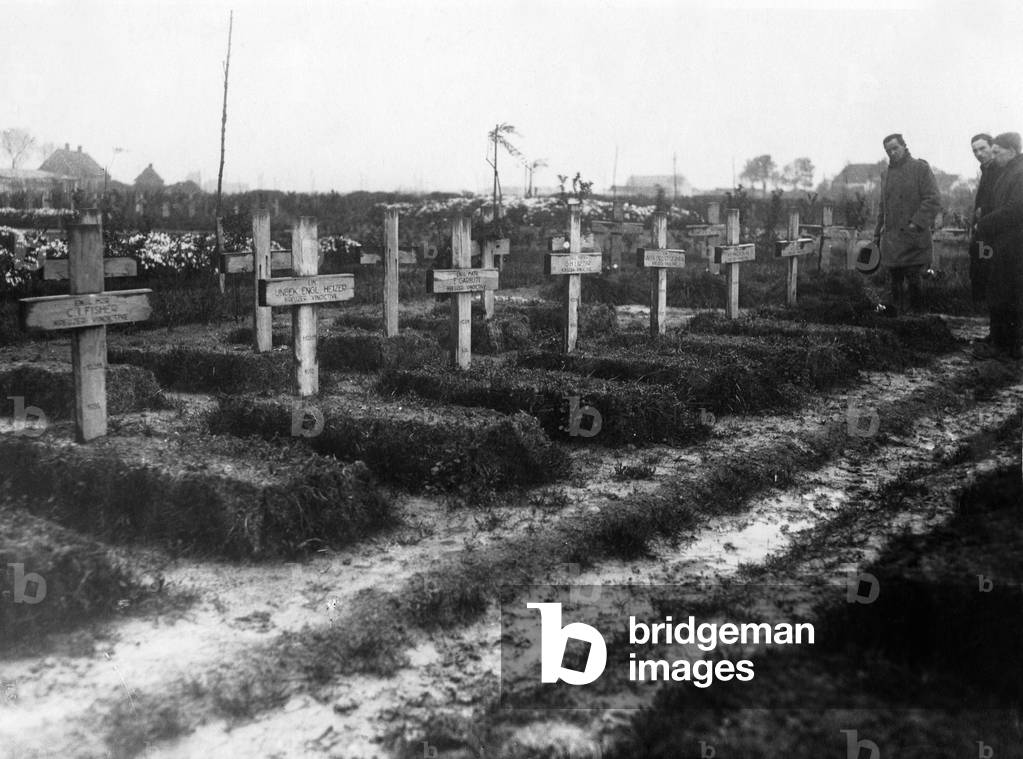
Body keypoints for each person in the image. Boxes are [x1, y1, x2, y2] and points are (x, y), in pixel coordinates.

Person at [872, 134, 941, 313]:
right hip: (892, 240)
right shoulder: (885, 174)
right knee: (893, 280)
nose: (892, 153)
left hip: (914, 238)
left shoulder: (920, 168)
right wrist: (877, 232)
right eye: (888, 151)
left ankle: (917, 320)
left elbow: (932, 199)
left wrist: (916, 224)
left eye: (895, 148)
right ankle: (896, 322)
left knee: (914, 279)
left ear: (904, 146)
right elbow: (883, 206)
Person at [974, 132, 1023, 361]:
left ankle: (1008, 347)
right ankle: (1000, 341)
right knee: (999, 290)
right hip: (1002, 242)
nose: (992, 157)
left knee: (1008, 294)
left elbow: (1015, 209)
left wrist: (984, 224)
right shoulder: (1007, 172)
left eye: (997, 152)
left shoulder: (1020, 173)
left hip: (1014, 243)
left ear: (1012, 151)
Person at [968, 133, 1000, 314]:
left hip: (993, 235)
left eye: (983, 149)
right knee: (982, 273)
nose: (979, 153)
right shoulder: (986, 170)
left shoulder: (998, 170)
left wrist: (983, 214)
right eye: (975, 151)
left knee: (991, 276)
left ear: (992, 147)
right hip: (983, 236)